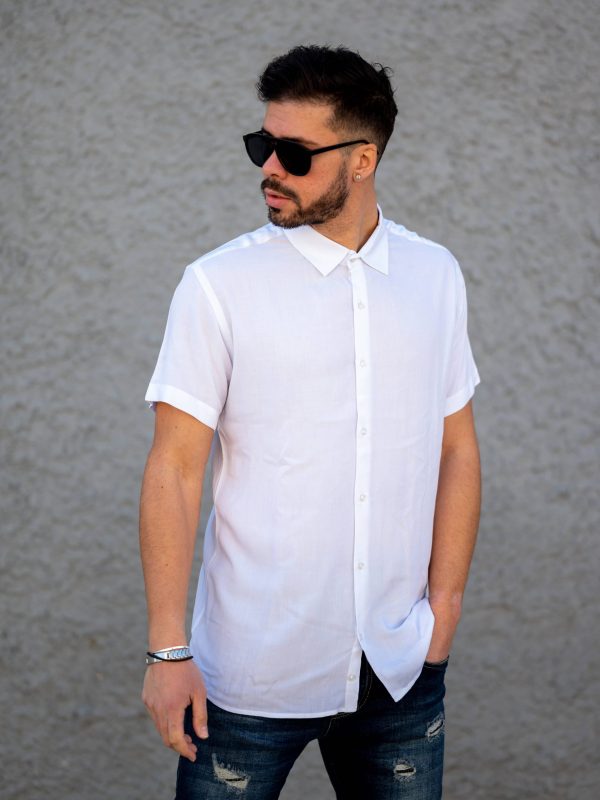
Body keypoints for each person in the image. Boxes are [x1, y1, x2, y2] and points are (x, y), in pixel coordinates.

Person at [140, 44, 481, 799]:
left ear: (363, 160)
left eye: (294, 154)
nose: (270, 168)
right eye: (261, 146)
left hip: (399, 671)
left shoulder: (434, 275)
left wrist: (444, 611)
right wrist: (168, 651)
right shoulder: (218, 285)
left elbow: (456, 446)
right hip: (247, 677)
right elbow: (174, 470)